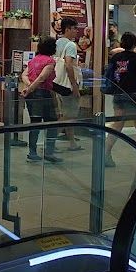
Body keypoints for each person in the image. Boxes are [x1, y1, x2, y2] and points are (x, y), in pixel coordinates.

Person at [104, 32, 136, 166]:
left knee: (117, 125)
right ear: (135, 44)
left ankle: (106, 154)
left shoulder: (116, 58)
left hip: (119, 95)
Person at [21, 36, 60, 163]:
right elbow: (43, 77)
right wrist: (31, 88)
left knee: (35, 122)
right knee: (52, 122)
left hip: (32, 95)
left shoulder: (34, 60)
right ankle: (49, 152)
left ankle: (32, 152)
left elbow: (24, 75)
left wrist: (29, 87)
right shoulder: (49, 61)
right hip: (43, 94)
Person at [53, 17, 84, 151]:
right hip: (67, 85)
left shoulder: (57, 42)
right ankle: (50, 141)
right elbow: (69, 65)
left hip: (58, 83)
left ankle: (72, 142)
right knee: (69, 115)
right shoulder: (71, 45)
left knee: (66, 114)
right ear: (67, 29)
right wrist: (75, 86)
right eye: (74, 28)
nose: (77, 31)